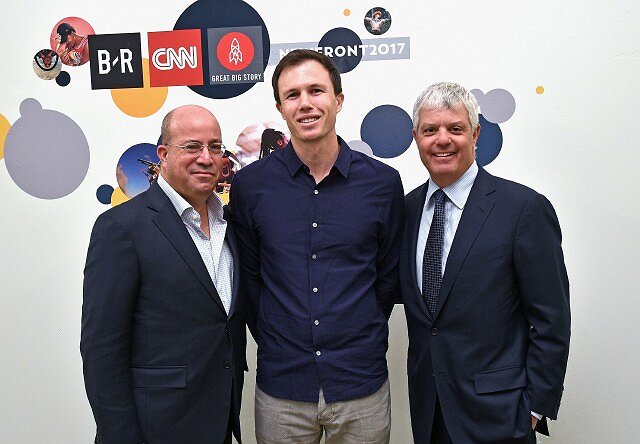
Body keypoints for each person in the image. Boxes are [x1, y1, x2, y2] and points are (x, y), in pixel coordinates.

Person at [231, 49, 404, 444]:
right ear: (280, 108)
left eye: (316, 90)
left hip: (360, 384)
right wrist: (278, 335)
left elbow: (387, 278)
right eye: (292, 95)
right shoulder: (250, 186)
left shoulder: (382, 183)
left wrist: (356, 330)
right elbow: (251, 279)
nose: (305, 103)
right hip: (283, 388)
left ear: (338, 100)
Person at [400, 82, 571, 444]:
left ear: (475, 134)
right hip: (430, 413)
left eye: (455, 128)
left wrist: (534, 409)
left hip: (501, 417)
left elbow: (551, 318)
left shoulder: (523, 209)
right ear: (416, 138)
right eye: (430, 130)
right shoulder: (406, 211)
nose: (442, 140)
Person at [81, 105, 246, 444]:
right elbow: (102, 350)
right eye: (192, 146)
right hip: (154, 427)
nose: (206, 158)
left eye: (215, 147)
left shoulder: (231, 224)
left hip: (219, 421)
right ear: (164, 154)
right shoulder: (121, 227)